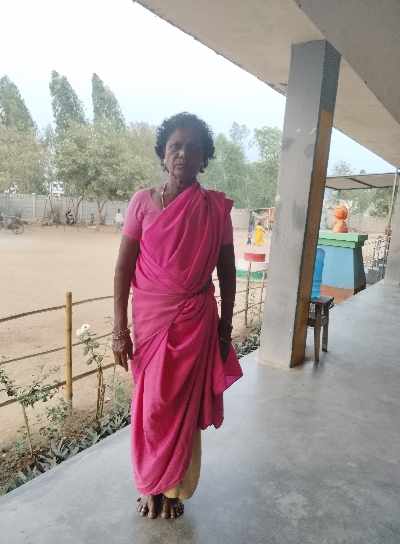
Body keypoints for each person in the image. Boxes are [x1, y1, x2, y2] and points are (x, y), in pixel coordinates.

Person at [112, 112, 242, 520]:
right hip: (151, 322)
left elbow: (228, 271)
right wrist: (118, 330)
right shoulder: (142, 202)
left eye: (193, 148)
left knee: (183, 412)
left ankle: (174, 491)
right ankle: (150, 484)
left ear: (204, 158)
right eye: (175, 146)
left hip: (196, 323)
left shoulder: (215, 209)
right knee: (151, 407)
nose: (183, 153)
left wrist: (225, 330)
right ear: (163, 154)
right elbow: (123, 268)